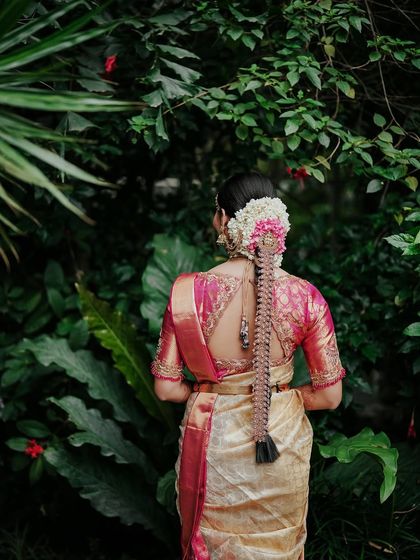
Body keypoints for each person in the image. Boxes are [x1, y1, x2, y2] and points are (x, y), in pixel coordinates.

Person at [150, 171, 346, 560]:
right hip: (281, 444)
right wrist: (277, 395)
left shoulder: (188, 292)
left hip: (214, 441)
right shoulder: (305, 297)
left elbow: (167, 388)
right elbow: (329, 395)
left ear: (224, 218)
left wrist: (212, 392)